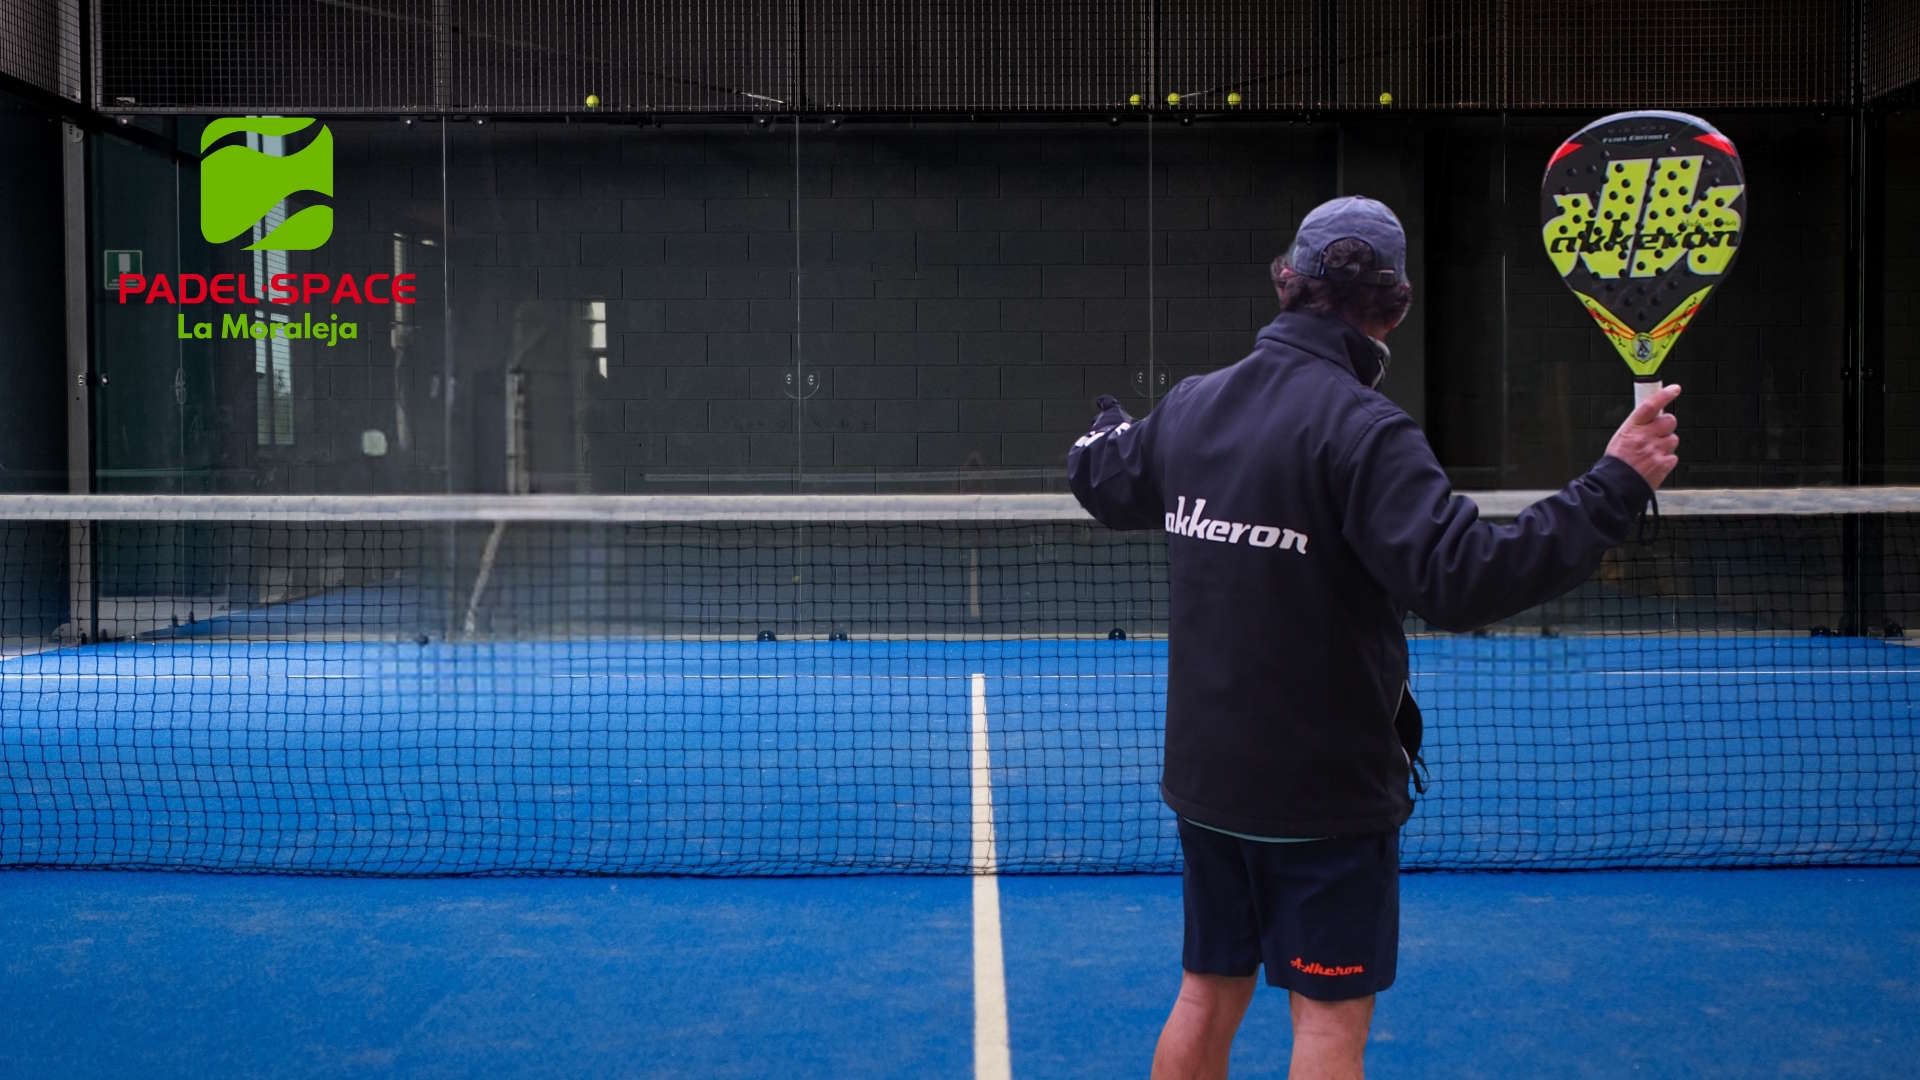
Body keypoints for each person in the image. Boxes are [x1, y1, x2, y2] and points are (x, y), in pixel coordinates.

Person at [1065, 195, 1681, 1080]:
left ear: (1286, 283)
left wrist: (1105, 423)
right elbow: (1467, 580)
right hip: (1326, 798)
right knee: (1325, 1025)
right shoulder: (1368, 432)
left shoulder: (1194, 407)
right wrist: (1614, 485)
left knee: (1206, 993)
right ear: (1393, 308)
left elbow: (1102, 474)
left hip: (1207, 785)